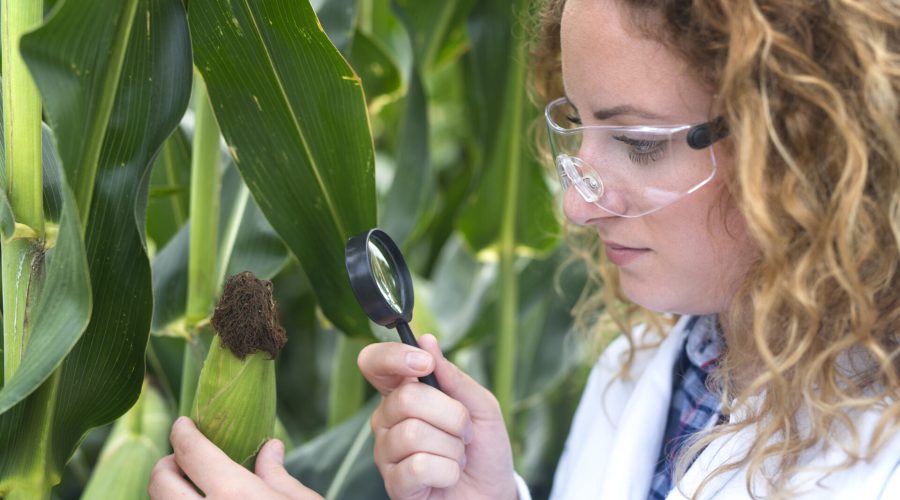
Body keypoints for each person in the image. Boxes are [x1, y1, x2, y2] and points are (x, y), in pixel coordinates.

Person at [149, 0, 900, 498]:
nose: (576, 205)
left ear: (808, 141)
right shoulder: (662, 362)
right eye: (577, 130)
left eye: (639, 144)